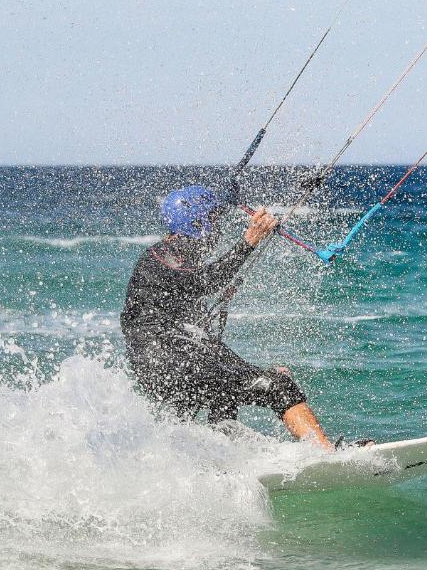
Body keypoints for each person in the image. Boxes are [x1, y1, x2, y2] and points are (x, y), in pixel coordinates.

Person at [121, 184, 339, 451]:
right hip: (170, 362)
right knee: (278, 386)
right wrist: (248, 242)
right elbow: (207, 282)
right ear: (197, 224)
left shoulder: (172, 264)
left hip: (163, 365)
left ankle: (220, 463)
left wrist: (256, 371)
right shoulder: (163, 255)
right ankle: (325, 453)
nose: (218, 229)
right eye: (213, 220)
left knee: (224, 392)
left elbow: (210, 348)